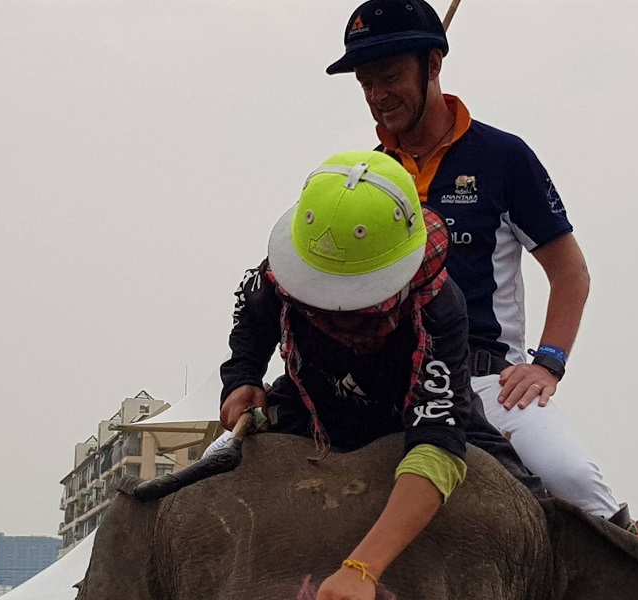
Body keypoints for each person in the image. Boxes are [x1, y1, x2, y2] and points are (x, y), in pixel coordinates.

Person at [324, 0, 638, 541]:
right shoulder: (369, 175)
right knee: (232, 454)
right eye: (365, 83)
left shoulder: (503, 157)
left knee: (571, 477)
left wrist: (548, 363)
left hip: (484, 380)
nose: (377, 96)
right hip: (386, 378)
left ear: (433, 64)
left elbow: (571, 272)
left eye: (389, 76)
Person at [219, 150, 547, 599]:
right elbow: (252, 320)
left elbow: (436, 438)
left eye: (355, 302)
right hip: (309, 407)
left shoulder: (439, 306)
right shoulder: (278, 275)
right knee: (200, 484)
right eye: (322, 298)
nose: (338, 313)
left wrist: (362, 568)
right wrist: (243, 379)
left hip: (411, 413)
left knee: (541, 511)